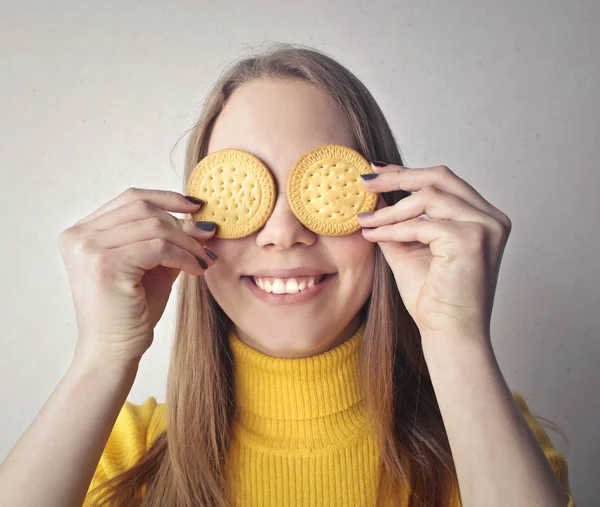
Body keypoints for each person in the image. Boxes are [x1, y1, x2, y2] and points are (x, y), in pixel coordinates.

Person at [0, 43, 575, 507]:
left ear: (390, 205)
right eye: (251, 190)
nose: (281, 233)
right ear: (190, 213)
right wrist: (103, 354)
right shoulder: (112, 450)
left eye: (316, 187)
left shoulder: (487, 441)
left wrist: (456, 337)